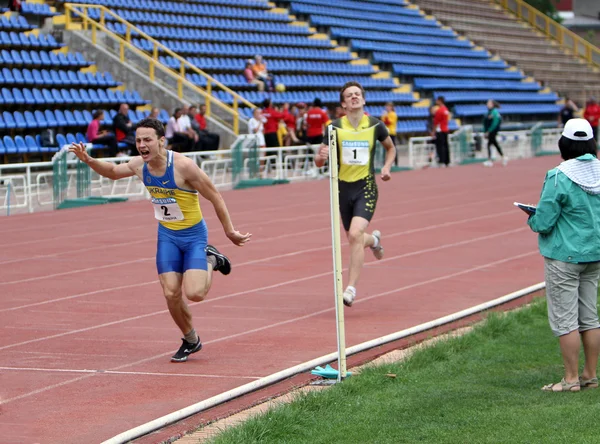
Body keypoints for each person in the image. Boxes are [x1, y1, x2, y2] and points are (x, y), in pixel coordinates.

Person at [69, 118, 251, 362]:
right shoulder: (138, 165)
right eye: (138, 140)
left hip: (194, 236)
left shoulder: (184, 166)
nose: (142, 145)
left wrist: (229, 231)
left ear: (161, 141)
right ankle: (190, 340)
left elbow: (215, 196)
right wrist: (89, 160)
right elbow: (113, 172)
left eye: (147, 140)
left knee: (195, 294)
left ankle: (211, 258)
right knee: (171, 293)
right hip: (167, 237)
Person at [526, 118, 600, 392]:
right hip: (594, 254)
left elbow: (544, 221)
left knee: (565, 318)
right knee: (589, 317)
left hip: (564, 255)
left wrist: (532, 218)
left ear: (564, 143)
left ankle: (570, 380)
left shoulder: (559, 175)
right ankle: (589, 375)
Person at [314, 81, 396, 307]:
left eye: (357, 94)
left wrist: (387, 167)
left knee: (354, 234)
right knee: (356, 237)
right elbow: (319, 160)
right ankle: (375, 240)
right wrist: (322, 156)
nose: (354, 97)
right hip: (343, 189)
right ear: (343, 103)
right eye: (349, 95)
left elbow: (391, 147)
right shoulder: (334, 128)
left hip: (366, 186)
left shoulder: (375, 126)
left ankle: (350, 288)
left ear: (363, 99)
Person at [482, 100, 507, 167]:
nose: (487, 105)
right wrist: (485, 131)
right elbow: (485, 123)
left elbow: (495, 123)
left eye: (489, 103)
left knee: (489, 144)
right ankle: (503, 156)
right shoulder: (488, 113)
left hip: (493, 131)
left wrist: (489, 131)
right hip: (489, 130)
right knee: (494, 143)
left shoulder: (494, 112)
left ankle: (490, 160)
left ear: (492, 105)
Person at [433, 96, 450, 167]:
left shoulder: (439, 111)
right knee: (446, 145)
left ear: (440, 101)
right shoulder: (446, 110)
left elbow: (436, 122)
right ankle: (447, 161)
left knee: (440, 146)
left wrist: (433, 131)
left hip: (440, 130)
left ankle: (442, 160)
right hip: (445, 129)